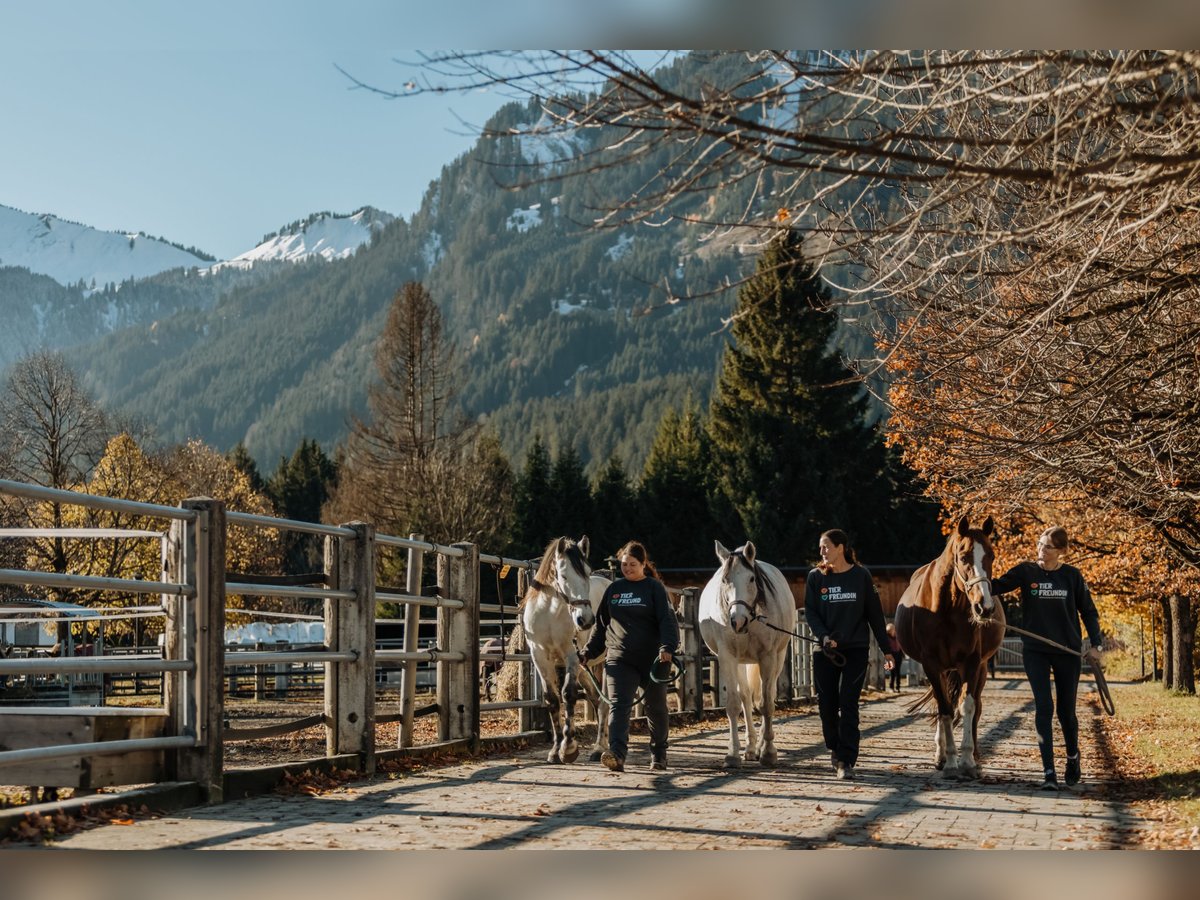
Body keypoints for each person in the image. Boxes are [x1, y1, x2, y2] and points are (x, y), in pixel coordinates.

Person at [991, 525, 1103, 791]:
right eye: (1039, 543)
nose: (1041, 549)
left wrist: (1096, 644)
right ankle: (1048, 773)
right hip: (1035, 651)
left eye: (1048, 546)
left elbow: (1089, 611)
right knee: (1044, 707)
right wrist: (971, 581)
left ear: (1061, 551)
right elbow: (995, 586)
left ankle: (1073, 757)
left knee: (1066, 712)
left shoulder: (1072, 577)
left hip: (1067, 651)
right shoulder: (1025, 571)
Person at [581, 540, 680, 773]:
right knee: (618, 704)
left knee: (655, 707)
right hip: (619, 658)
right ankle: (617, 753)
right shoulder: (614, 590)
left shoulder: (654, 588)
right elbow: (601, 626)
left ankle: (659, 754)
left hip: (654, 659)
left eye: (632, 564)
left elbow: (667, 620)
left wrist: (667, 647)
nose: (627, 569)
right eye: (624, 564)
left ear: (643, 564)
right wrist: (588, 652)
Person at [804, 529, 894, 780]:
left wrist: (887, 650)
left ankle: (846, 759)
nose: (821, 552)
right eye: (820, 547)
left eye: (825, 546)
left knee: (848, 702)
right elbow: (811, 612)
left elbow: (875, 615)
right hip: (824, 651)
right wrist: (823, 636)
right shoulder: (815, 578)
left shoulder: (861, 576)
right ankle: (834, 746)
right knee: (827, 705)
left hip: (854, 649)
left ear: (840, 547)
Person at [885, 622, 905, 693]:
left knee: (898, 672)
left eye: (894, 629)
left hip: (898, 655)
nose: (894, 630)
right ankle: (891, 687)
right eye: (892, 629)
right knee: (892, 672)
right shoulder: (887, 637)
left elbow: (900, 645)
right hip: (891, 655)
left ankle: (898, 687)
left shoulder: (897, 636)